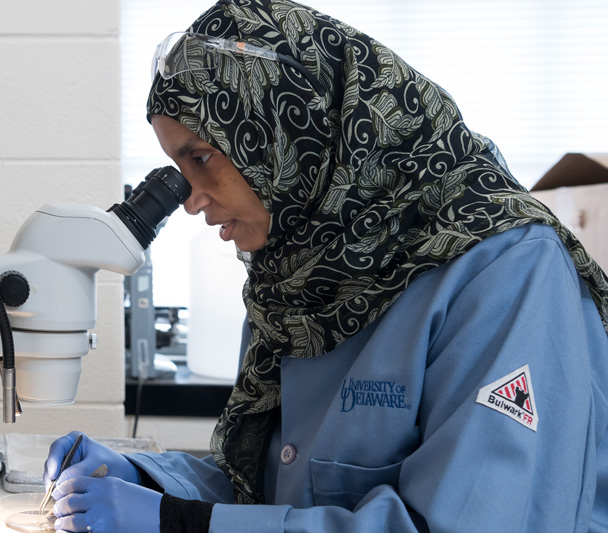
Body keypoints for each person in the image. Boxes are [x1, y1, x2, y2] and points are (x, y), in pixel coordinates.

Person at [43, 0, 608, 531]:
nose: (190, 199)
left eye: (201, 157)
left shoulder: (508, 272)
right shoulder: (298, 278)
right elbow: (275, 494)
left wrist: (179, 523)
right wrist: (149, 480)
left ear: (289, 134)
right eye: (177, 168)